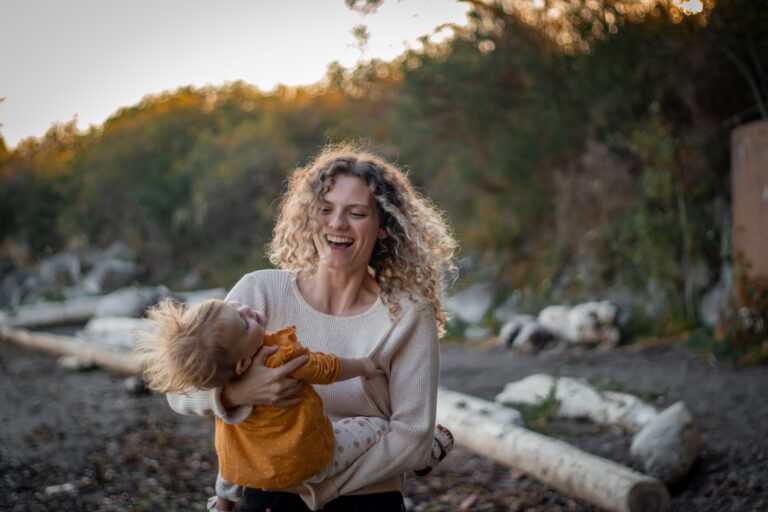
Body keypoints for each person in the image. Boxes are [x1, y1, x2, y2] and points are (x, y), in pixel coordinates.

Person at [167, 143, 458, 511]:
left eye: (356, 213)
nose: (337, 223)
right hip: (264, 500)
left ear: (384, 227)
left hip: (365, 501)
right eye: (325, 209)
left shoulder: (408, 314)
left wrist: (319, 487)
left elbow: (413, 436)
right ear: (309, 215)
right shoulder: (259, 292)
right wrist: (236, 395)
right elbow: (179, 391)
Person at [138, 298, 450, 512]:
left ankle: (221, 504)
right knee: (372, 427)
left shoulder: (221, 358)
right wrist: (364, 366)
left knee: (231, 459)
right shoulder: (280, 354)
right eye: (244, 323)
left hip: (250, 465)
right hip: (309, 457)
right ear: (243, 362)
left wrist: (228, 393)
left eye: (234, 305)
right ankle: (427, 451)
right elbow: (327, 368)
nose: (247, 308)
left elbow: (191, 377)